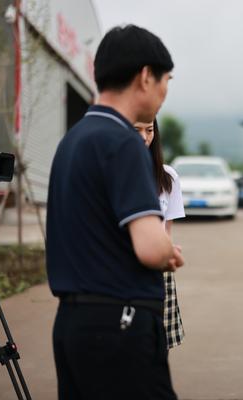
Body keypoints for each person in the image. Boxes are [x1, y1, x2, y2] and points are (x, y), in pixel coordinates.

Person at [46, 25, 183, 400]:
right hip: (121, 325)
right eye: (165, 80)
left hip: (72, 325)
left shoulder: (74, 140)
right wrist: (168, 252)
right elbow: (152, 248)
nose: (165, 92)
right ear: (145, 77)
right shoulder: (124, 142)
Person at [134, 118, 186, 349]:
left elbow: (167, 231)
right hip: (122, 269)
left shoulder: (167, 177)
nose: (145, 137)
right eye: (137, 130)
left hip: (158, 271)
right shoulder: (110, 172)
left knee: (156, 347)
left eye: (150, 130)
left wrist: (168, 253)